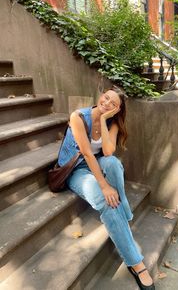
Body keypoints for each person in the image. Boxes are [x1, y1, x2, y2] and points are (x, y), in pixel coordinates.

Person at [58, 86, 155, 290]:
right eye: (106, 97)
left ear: (117, 109)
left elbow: (108, 152)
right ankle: (136, 263)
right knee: (108, 202)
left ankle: (123, 207)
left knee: (113, 163)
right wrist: (103, 186)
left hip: (98, 162)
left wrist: (103, 120)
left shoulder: (112, 122)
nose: (107, 103)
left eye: (113, 104)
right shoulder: (78, 117)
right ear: (100, 96)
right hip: (75, 168)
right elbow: (86, 153)